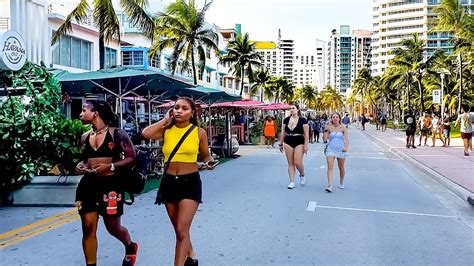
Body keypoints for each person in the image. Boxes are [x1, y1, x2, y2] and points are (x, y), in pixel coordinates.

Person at [142, 97, 216, 265]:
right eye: (176, 107)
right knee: (179, 229)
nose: (179, 111)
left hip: (190, 182)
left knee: (182, 230)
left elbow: (206, 155)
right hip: (169, 182)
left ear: (192, 113)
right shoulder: (166, 130)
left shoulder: (199, 132)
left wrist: (209, 162)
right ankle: (191, 255)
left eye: (184, 108)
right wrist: (165, 120)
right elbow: (146, 134)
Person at [75, 100, 138, 266]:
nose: (81, 114)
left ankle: (130, 246)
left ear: (95, 113)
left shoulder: (118, 134)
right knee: (88, 229)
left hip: (111, 186)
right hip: (87, 186)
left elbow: (132, 157)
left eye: (84, 110)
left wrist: (110, 166)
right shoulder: (85, 137)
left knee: (113, 227)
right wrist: (81, 166)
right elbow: (86, 160)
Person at [278, 104, 309, 189]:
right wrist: (280, 143)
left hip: (299, 140)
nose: (291, 110)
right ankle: (292, 181)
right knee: (290, 163)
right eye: (290, 108)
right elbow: (283, 132)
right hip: (288, 140)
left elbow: (306, 134)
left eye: (293, 108)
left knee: (297, 162)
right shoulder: (286, 120)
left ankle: (302, 174)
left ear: (297, 109)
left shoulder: (303, 120)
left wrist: (306, 146)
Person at [323, 113, 349, 192]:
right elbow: (324, 140)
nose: (335, 118)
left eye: (336, 117)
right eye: (333, 117)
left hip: (341, 149)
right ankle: (330, 185)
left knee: (341, 167)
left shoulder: (343, 128)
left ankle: (341, 181)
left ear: (339, 118)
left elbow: (347, 139)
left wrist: (346, 147)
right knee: (330, 166)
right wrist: (325, 130)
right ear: (331, 119)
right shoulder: (329, 127)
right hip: (331, 149)